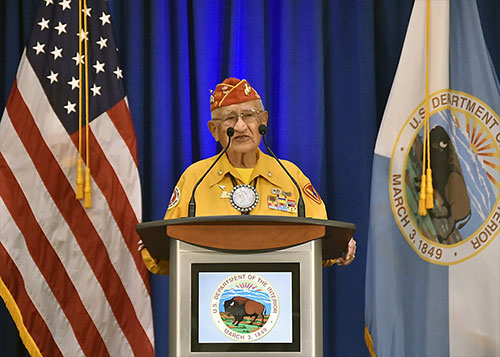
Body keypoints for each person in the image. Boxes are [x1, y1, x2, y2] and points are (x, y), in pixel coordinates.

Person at [140, 78, 356, 274]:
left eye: (249, 116)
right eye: (230, 118)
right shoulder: (195, 179)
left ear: (263, 121)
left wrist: (341, 247)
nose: (241, 126)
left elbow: (322, 242)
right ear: (214, 130)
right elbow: (166, 253)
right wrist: (152, 249)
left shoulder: (291, 176)